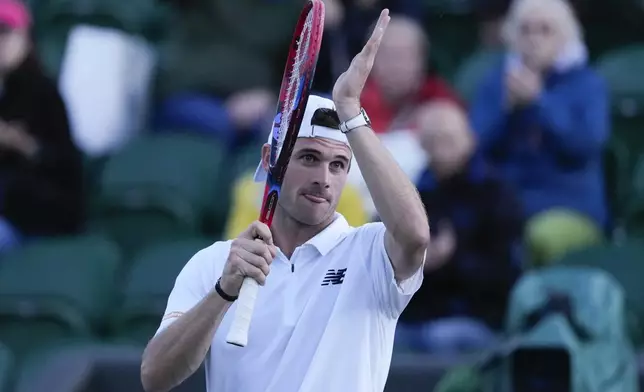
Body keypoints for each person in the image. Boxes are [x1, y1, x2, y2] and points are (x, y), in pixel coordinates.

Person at [141, 10, 430, 392]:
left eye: (338, 165)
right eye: (309, 158)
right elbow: (155, 377)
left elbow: (415, 235)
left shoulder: (370, 252)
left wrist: (350, 112)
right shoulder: (213, 263)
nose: (323, 178)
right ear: (269, 159)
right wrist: (224, 291)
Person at [469, 0, 609, 266]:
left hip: (569, 206)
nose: (533, 39)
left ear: (566, 38)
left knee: (539, 236)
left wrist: (538, 102)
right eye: (525, 30)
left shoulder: (588, 84)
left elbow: (585, 144)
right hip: (505, 202)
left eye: (545, 30)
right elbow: (475, 146)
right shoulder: (496, 82)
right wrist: (508, 111)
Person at [396, 101, 524, 354]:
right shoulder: (413, 193)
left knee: (438, 339)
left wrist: (450, 260)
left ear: (470, 139)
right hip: (419, 315)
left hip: (478, 317)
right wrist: (414, 262)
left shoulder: (497, 195)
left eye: (449, 140)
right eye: (433, 141)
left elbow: (505, 274)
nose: (441, 150)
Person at [0, 0, 84, 251]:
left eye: (5, 33)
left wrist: (21, 144)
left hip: (38, 218)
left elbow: (66, 166)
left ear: (26, 38)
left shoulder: (43, 93)